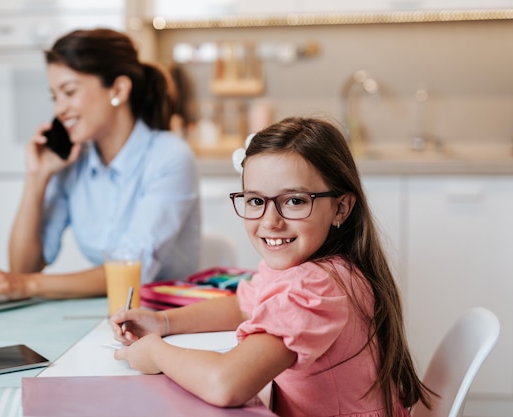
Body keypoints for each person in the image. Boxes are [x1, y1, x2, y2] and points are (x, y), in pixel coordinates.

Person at [109, 117, 432, 417]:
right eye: (255, 201)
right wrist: (162, 322)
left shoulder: (312, 286)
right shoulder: (319, 269)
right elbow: (244, 306)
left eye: (294, 201)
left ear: (341, 208)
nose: (270, 221)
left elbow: (227, 384)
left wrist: (155, 352)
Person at [0, 28, 201, 305]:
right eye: (54, 96)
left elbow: (131, 269)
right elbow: (23, 267)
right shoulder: (74, 162)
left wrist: (27, 285)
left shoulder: (170, 157)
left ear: (118, 89)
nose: (59, 109)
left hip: (168, 318)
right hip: (104, 313)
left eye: (69, 92)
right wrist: (37, 177)